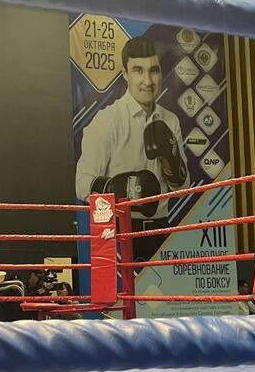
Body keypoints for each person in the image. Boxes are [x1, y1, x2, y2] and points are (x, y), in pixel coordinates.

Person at [76, 35, 190, 256]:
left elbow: (182, 187)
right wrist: (115, 189)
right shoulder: (106, 121)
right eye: (138, 70)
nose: (148, 81)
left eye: (154, 70)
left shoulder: (170, 120)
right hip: (119, 231)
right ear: (125, 73)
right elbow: (82, 183)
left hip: (161, 230)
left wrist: (172, 163)